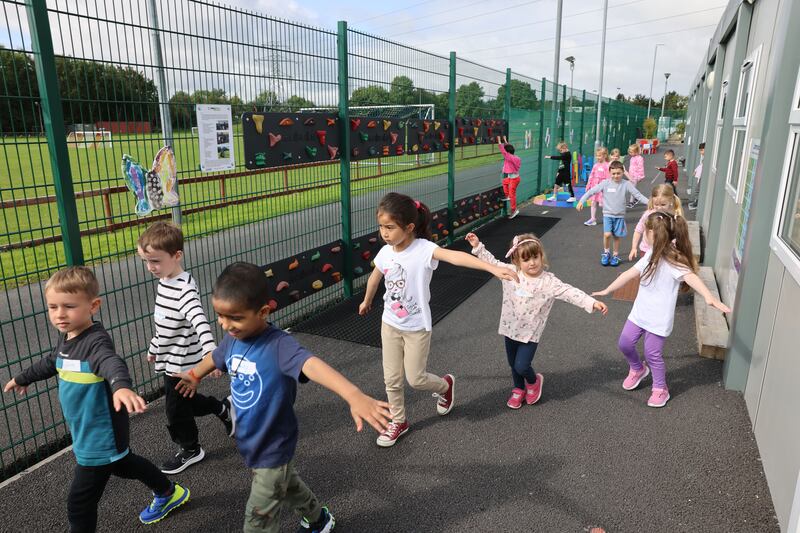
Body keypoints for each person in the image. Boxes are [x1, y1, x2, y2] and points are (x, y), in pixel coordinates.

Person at [173, 262, 392, 533]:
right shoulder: (233, 338)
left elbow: (311, 364)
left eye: (235, 317)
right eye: (220, 315)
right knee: (288, 484)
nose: (226, 324)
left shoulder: (278, 345)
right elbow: (216, 357)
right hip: (251, 439)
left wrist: (353, 394)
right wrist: (195, 374)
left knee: (258, 523)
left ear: (263, 312)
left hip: (273, 444)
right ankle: (319, 520)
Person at [3, 267, 189, 531]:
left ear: (93, 306)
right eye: (52, 307)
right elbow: (52, 362)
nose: (59, 314)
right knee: (123, 464)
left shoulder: (95, 342)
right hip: (89, 430)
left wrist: (121, 387)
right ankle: (168, 491)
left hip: (99, 436)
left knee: (79, 503)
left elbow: (111, 362)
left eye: (68, 306)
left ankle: (167, 492)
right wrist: (24, 377)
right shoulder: (67, 338)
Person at [359, 192, 518, 447]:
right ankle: (398, 420)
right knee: (391, 379)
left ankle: (445, 386)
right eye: (381, 227)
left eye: (390, 227)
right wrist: (367, 300)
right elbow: (375, 277)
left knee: (416, 379)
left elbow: (456, 257)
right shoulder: (386, 252)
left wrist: (491, 268)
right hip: (389, 323)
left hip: (416, 328)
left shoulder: (424, 249)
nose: (384, 233)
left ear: (409, 227)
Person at [592, 212, 732, 407]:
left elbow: (691, 277)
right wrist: (608, 289)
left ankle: (660, 388)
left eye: (645, 231)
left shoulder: (674, 260)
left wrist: (709, 298)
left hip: (658, 319)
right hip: (640, 313)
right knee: (624, 343)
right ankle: (638, 369)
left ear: (651, 234)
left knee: (652, 353)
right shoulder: (650, 254)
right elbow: (630, 273)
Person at [465, 232, 607, 408]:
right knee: (512, 364)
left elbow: (569, 292)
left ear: (541, 256)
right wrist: (478, 247)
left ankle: (533, 382)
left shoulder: (548, 282)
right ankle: (518, 389)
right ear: (517, 261)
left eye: (535, 257)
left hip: (530, 332)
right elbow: (491, 263)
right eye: (526, 260)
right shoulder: (510, 273)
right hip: (510, 328)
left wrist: (591, 302)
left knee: (522, 366)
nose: (532, 262)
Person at [137, 221, 233, 475]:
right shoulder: (165, 282)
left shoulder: (184, 290)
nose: (150, 268)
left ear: (176, 255)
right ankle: (221, 408)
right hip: (170, 357)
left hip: (183, 362)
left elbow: (199, 321)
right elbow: (164, 322)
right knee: (185, 402)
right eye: (146, 261)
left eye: (155, 261)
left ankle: (191, 449)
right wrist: (155, 346)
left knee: (174, 408)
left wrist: (209, 354)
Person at [576, 161, 650, 267]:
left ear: (623, 172)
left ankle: (615, 255)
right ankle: (606, 253)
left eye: (618, 173)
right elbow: (591, 191)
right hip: (607, 215)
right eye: (613, 173)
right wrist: (581, 201)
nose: (616, 176)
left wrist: (651, 203)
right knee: (607, 235)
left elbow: (638, 195)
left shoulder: (626, 184)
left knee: (616, 237)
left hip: (619, 216)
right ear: (610, 172)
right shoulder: (605, 183)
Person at [629, 184, 684, 261]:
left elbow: (678, 236)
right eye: (656, 204)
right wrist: (634, 248)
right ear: (652, 201)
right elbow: (638, 230)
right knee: (646, 271)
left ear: (671, 201)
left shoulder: (674, 217)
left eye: (663, 205)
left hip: (666, 252)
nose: (659, 207)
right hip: (646, 250)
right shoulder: (648, 215)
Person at [583, 147, 610, 226]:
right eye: (597, 156)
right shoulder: (595, 165)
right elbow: (591, 175)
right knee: (593, 202)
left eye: (599, 156)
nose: (598, 157)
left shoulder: (607, 166)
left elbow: (609, 178)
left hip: (603, 188)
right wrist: (588, 185)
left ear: (604, 156)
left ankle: (607, 218)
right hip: (595, 186)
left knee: (603, 204)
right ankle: (593, 219)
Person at [497, 136, 522, 219]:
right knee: (504, 181)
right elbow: (508, 148)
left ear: (507, 153)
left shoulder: (510, 157)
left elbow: (503, 151)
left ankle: (514, 210)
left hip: (514, 179)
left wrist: (499, 141)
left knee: (512, 195)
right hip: (512, 178)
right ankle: (507, 196)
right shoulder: (513, 157)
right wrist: (505, 140)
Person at [625, 144, 646, 208]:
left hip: (636, 176)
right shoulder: (632, 158)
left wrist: (640, 176)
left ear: (636, 152)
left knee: (632, 189)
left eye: (631, 152)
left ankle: (631, 202)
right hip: (631, 175)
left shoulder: (639, 158)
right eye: (629, 152)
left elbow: (641, 168)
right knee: (632, 189)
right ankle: (636, 199)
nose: (630, 153)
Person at [688, 142, 705, 210]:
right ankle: (696, 201)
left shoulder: (707, 158)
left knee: (697, 190)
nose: (701, 152)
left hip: (702, 176)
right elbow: (701, 165)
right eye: (700, 151)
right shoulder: (704, 158)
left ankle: (697, 202)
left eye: (702, 150)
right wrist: (696, 170)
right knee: (697, 189)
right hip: (701, 176)